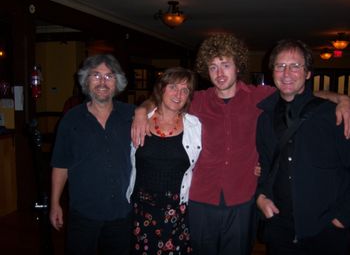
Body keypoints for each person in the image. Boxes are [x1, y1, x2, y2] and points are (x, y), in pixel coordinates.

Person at [131, 34, 350, 255]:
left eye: (225, 65)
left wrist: (342, 99)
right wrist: (141, 111)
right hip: (201, 199)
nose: (219, 73)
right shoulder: (196, 100)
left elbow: (298, 91)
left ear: (238, 67)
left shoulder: (260, 97)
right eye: (213, 66)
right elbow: (163, 100)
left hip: (242, 200)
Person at [255, 39, 350, 255]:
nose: (286, 73)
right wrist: (260, 197)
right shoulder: (264, 118)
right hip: (280, 228)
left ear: (308, 73)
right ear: (272, 72)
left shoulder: (333, 114)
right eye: (280, 66)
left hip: (326, 230)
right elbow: (265, 165)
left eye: (295, 66)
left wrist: (343, 216)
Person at [49, 54, 135, 255]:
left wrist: (142, 111)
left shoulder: (131, 114)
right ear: (86, 81)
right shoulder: (71, 119)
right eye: (96, 75)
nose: (103, 82)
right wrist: (55, 203)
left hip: (122, 212)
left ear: (117, 82)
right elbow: (61, 165)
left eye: (109, 76)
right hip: (84, 212)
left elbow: (159, 108)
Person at [127, 67, 202, 254]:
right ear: (161, 89)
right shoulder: (139, 121)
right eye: (173, 87)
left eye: (185, 90)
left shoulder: (195, 126)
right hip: (142, 210)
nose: (179, 94)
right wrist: (140, 111)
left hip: (177, 212)